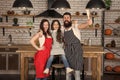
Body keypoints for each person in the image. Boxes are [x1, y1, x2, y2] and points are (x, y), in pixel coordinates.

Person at [63, 12, 92, 80]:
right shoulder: (62, 29)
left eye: (67, 17)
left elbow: (82, 25)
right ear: (63, 19)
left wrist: (88, 23)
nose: (66, 19)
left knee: (77, 73)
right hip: (67, 52)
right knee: (68, 73)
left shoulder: (75, 27)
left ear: (70, 19)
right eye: (64, 18)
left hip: (76, 51)